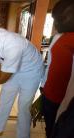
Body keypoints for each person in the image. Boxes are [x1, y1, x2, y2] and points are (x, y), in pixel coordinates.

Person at [40, 0, 74, 137]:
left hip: (60, 100)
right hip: (51, 94)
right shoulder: (60, 38)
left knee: (56, 129)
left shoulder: (65, 41)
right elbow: (51, 66)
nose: (55, 24)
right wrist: (43, 84)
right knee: (53, 128)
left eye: (57, 19)